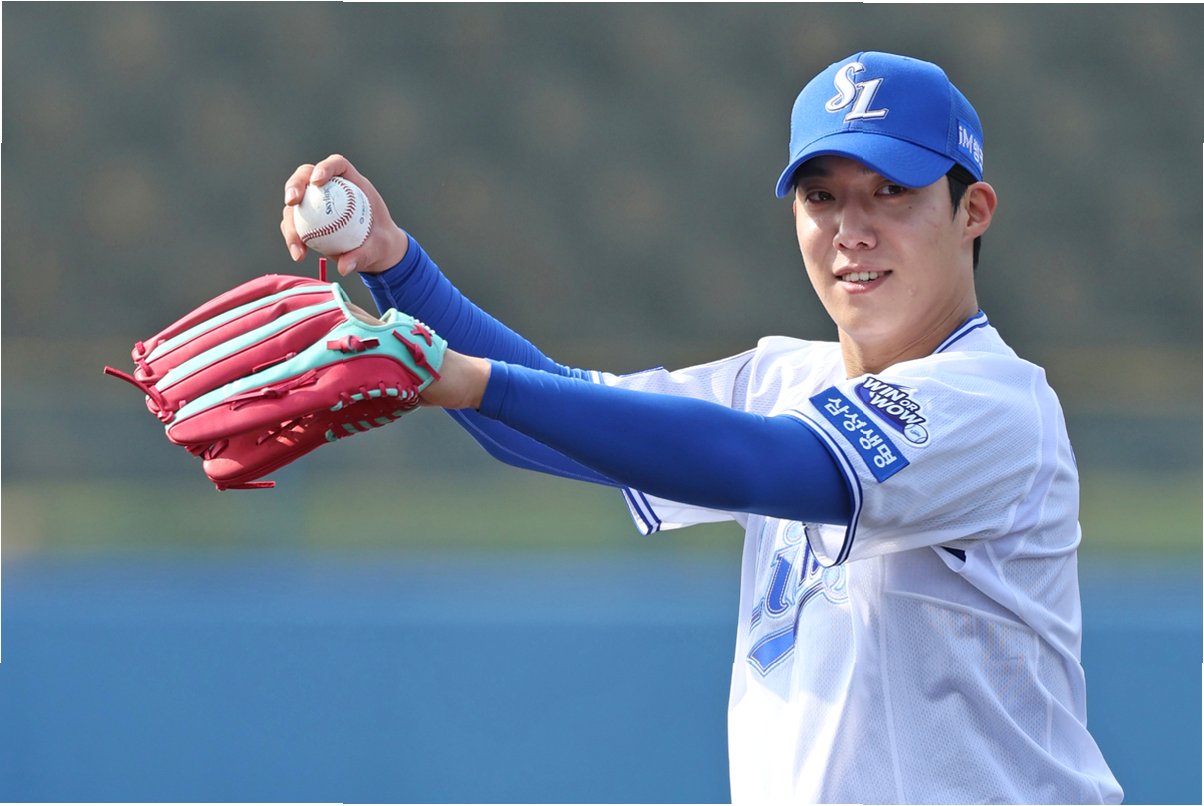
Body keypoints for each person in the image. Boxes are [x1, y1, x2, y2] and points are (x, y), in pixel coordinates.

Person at [281, 51, 1122, 804]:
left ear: (973, 209)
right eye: (822, 196)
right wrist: (397, 267)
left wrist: (471, 379)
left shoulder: (994, 402)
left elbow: (765, 463)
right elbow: (552, 419)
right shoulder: (784, 379)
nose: (851, 231)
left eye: (891, 191)